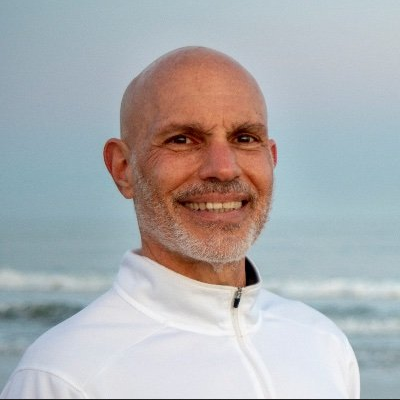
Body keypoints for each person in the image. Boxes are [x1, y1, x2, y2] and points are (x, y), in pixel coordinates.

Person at [1, 46, 360, 399]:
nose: (223, 168)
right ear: (123, 169)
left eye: (245, 138)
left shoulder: (323, 344)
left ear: (272, 158)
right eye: (182, 140)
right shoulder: (64, 376)